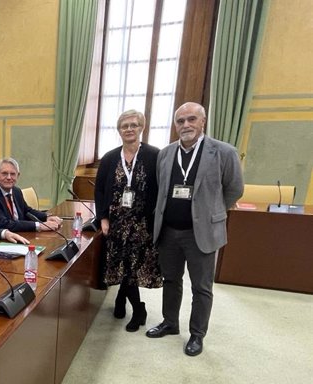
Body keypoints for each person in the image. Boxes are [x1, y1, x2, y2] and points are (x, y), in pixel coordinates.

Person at [146, 102, 244, 356]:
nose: (186, 125)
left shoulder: (224, 152)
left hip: (201, 233)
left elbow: (234, 189)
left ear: (203, 122)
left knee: (201, 287)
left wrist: (210, 212)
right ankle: (169, 322)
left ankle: (197, 335)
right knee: (171, 280)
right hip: (168, 231)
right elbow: (162, 188)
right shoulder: (166, 153)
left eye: (191, 119)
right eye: (180, 121)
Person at [95, 109, 162, 332]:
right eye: (125, 126)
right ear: (119, 130)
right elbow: (100, 190)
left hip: (142, 223)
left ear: (141, 127)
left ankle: (138, 309)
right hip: (116, 222)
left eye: (134, 125)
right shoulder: (109, 157)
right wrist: (103, 218)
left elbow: (160, 190)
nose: (129, 129)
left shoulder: (154, 155)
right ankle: (122, 300)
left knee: (132, 267)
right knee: (123, 264)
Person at [0, 157, 63, 232]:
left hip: (16, 235)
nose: (9, 177)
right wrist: (39, 226)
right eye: (4, 173)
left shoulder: (16, 191)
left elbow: (26, 211)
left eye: (13, 174)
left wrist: (45, 217)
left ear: (18, 175)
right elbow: (4, 224)